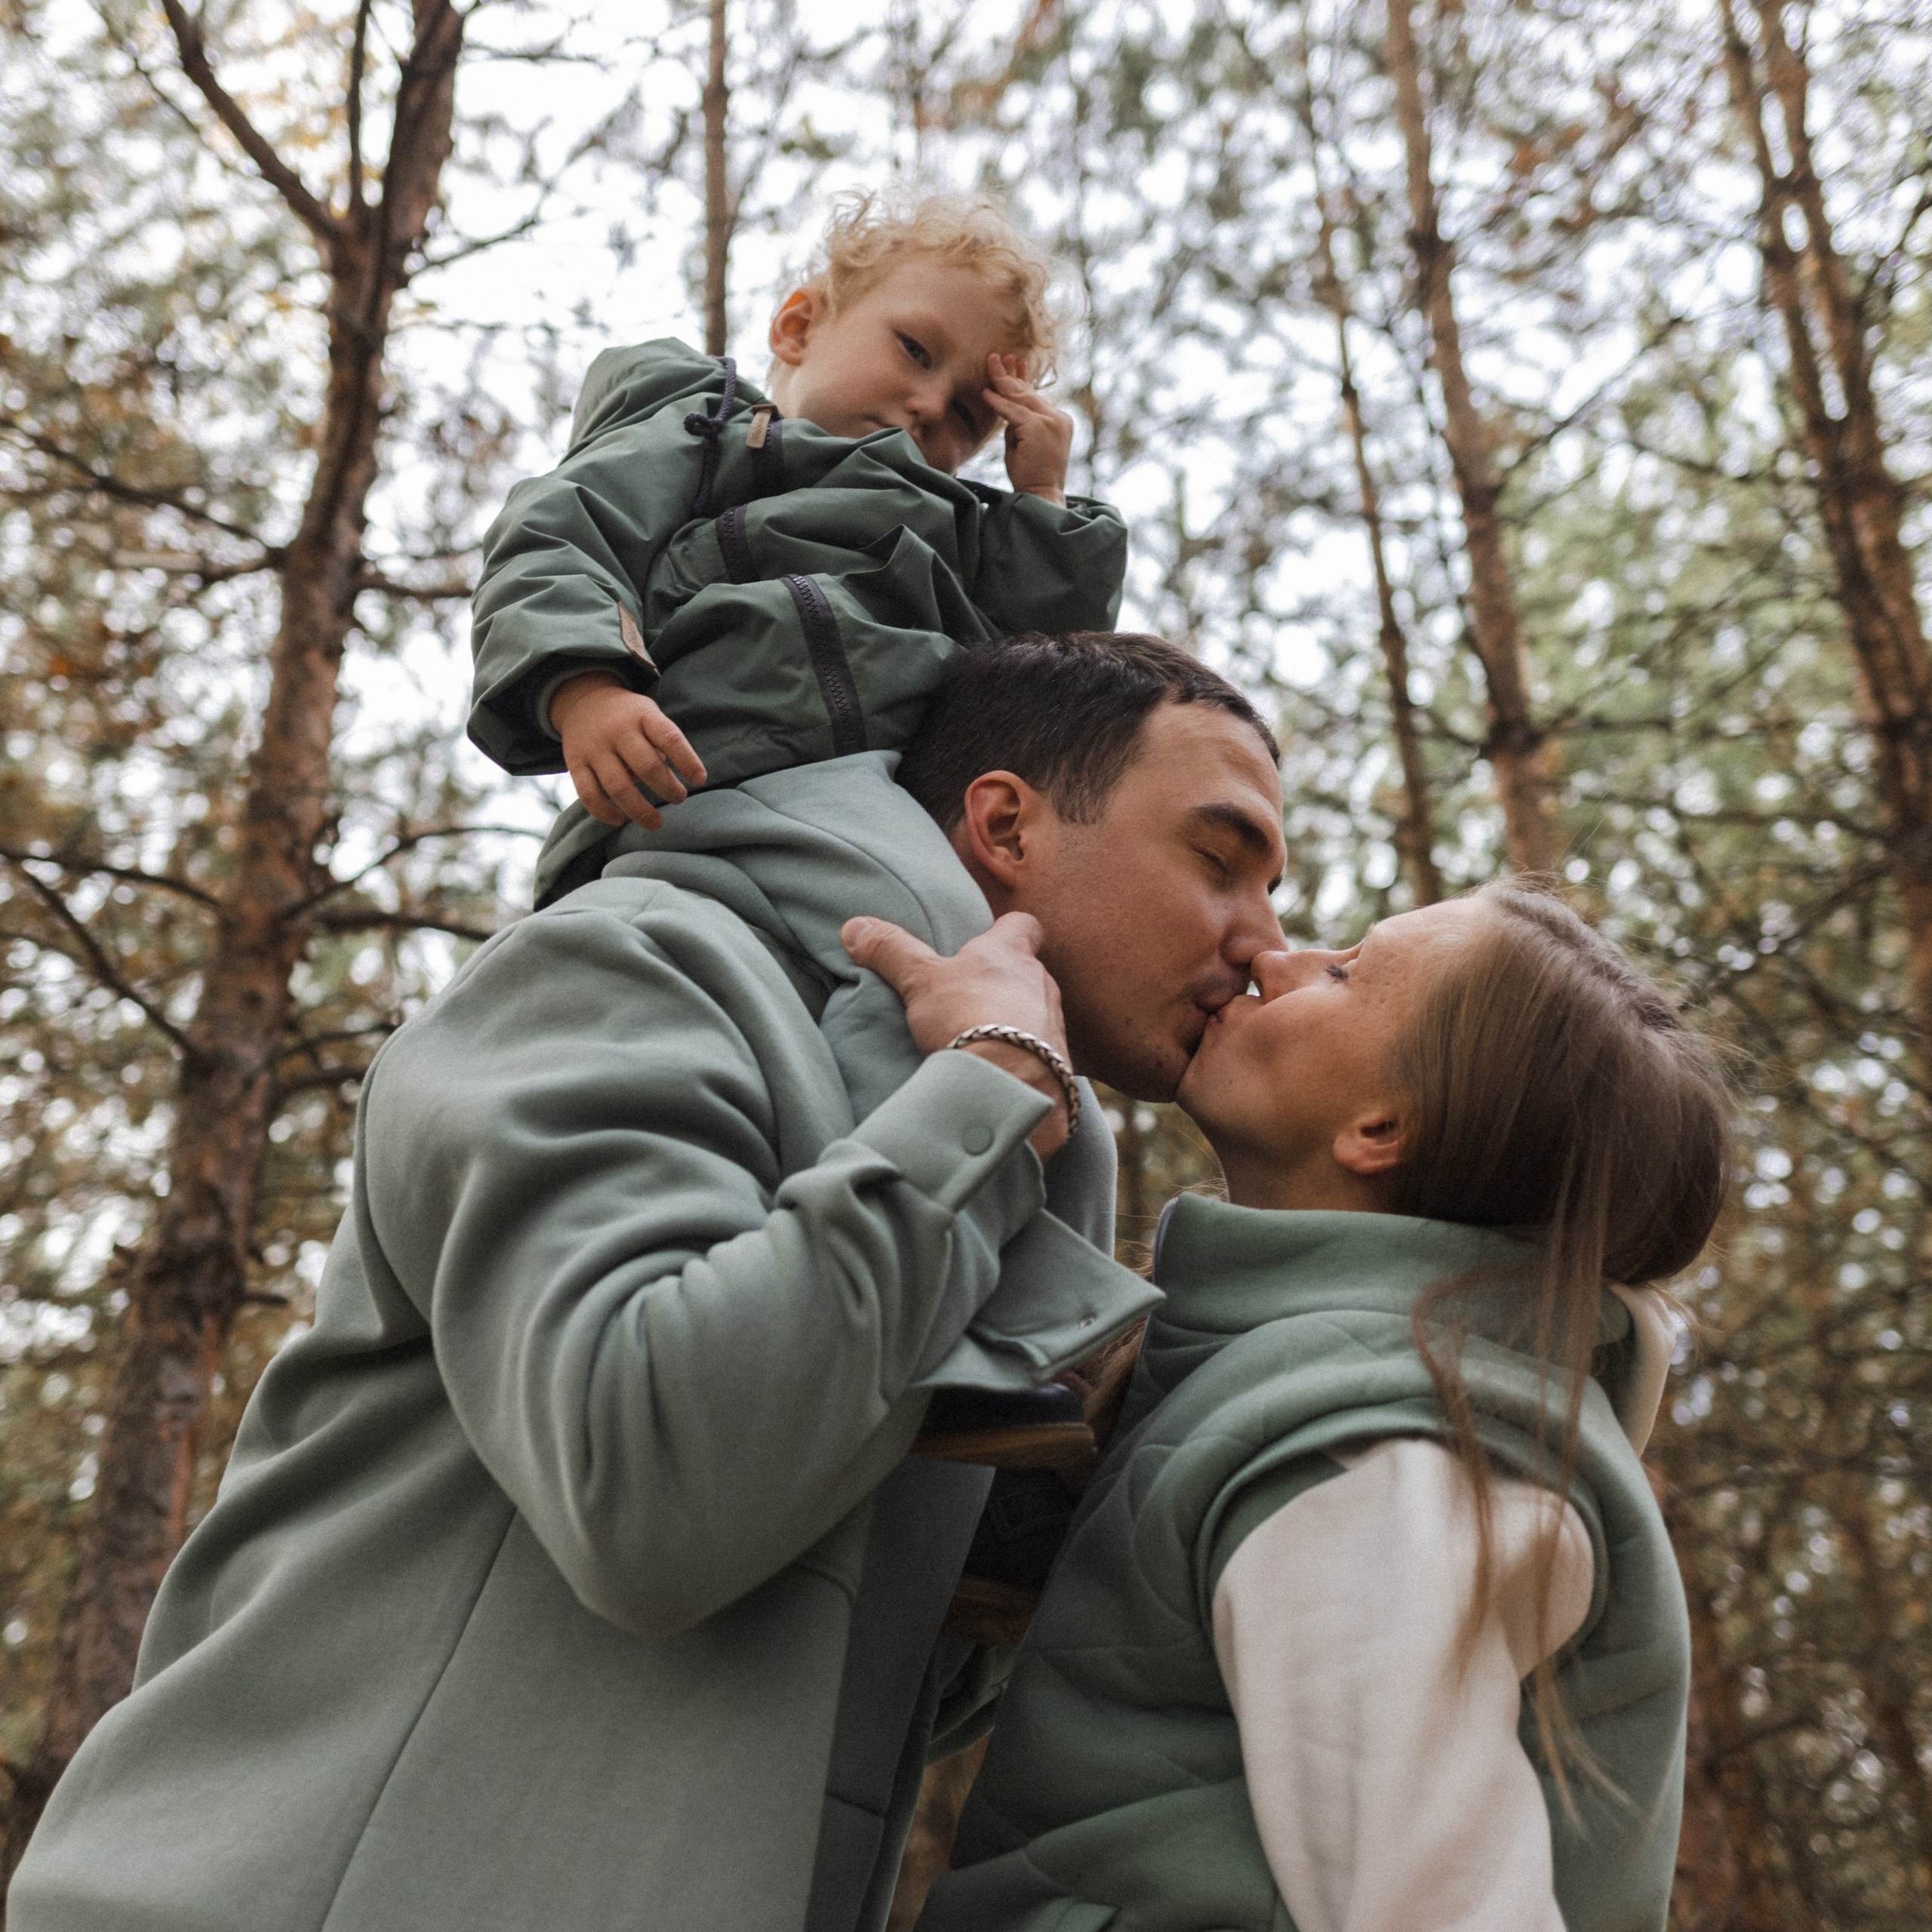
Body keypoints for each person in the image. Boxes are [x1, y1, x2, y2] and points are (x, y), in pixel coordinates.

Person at [10, 632, 1288, 1932]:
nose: (1263, 941)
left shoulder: (1003, 1148)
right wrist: (988, 1095)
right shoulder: (633, 965)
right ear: (1005, 824)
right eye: (1220, 859)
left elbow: (849, 1676)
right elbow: (648, 1485)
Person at [893, 881, 1730, 1932]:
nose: (1273, 958)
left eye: (1343, 973)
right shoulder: (1329, 1401)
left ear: (1380, 1127)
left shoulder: (1377, 1445)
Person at [468, 189, 1128, 911]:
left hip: (892, 848)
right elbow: (563, 536)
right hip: (681, 808)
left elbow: (1041, 693)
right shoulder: (702, 441)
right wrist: (585, 688)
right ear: (799, 326)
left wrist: (1043, 504)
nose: (933, 405)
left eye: (969, 413)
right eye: (915, 350)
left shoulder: (962, 544)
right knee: (611, 956)